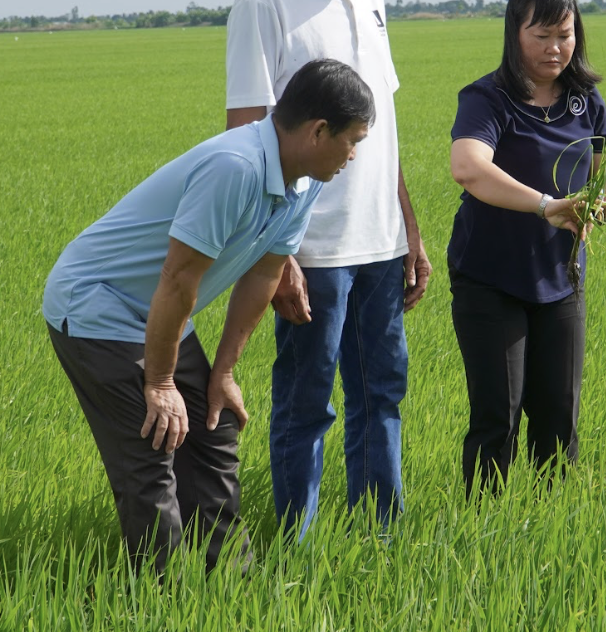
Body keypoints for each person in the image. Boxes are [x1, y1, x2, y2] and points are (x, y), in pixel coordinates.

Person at [43, 59, 374, 573]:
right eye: (353, 140)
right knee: (154, 449)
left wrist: (222, 373)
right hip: (96, 306)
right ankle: (162, 604)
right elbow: (177, 278)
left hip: (158, 308)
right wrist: (159, 382)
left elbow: (265, 273)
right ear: (318, 131)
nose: (353, 156)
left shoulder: (305, 181)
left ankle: (232, 584)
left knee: (214, 431)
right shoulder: (236, 167)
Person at [224, 0, 427, 534]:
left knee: (383, 395)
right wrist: (272, 257)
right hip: (308, 250)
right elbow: (247, 141)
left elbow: (382, 122)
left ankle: (380, 533)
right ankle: (296, 545)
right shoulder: (265, 0)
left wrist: (410, 231)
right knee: (308, 402)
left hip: (379, 243)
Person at [446, 0, 606, 493]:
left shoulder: (584, 100)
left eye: (564, 35)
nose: (555, 48)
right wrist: (547, 205)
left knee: (558, 418)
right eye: (541, 35)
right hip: (491, 278)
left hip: (561, 278)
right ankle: (484, 530)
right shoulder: (488, 99)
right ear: (514, 33)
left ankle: (551, 527)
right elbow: (469, 168)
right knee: (497, 418)